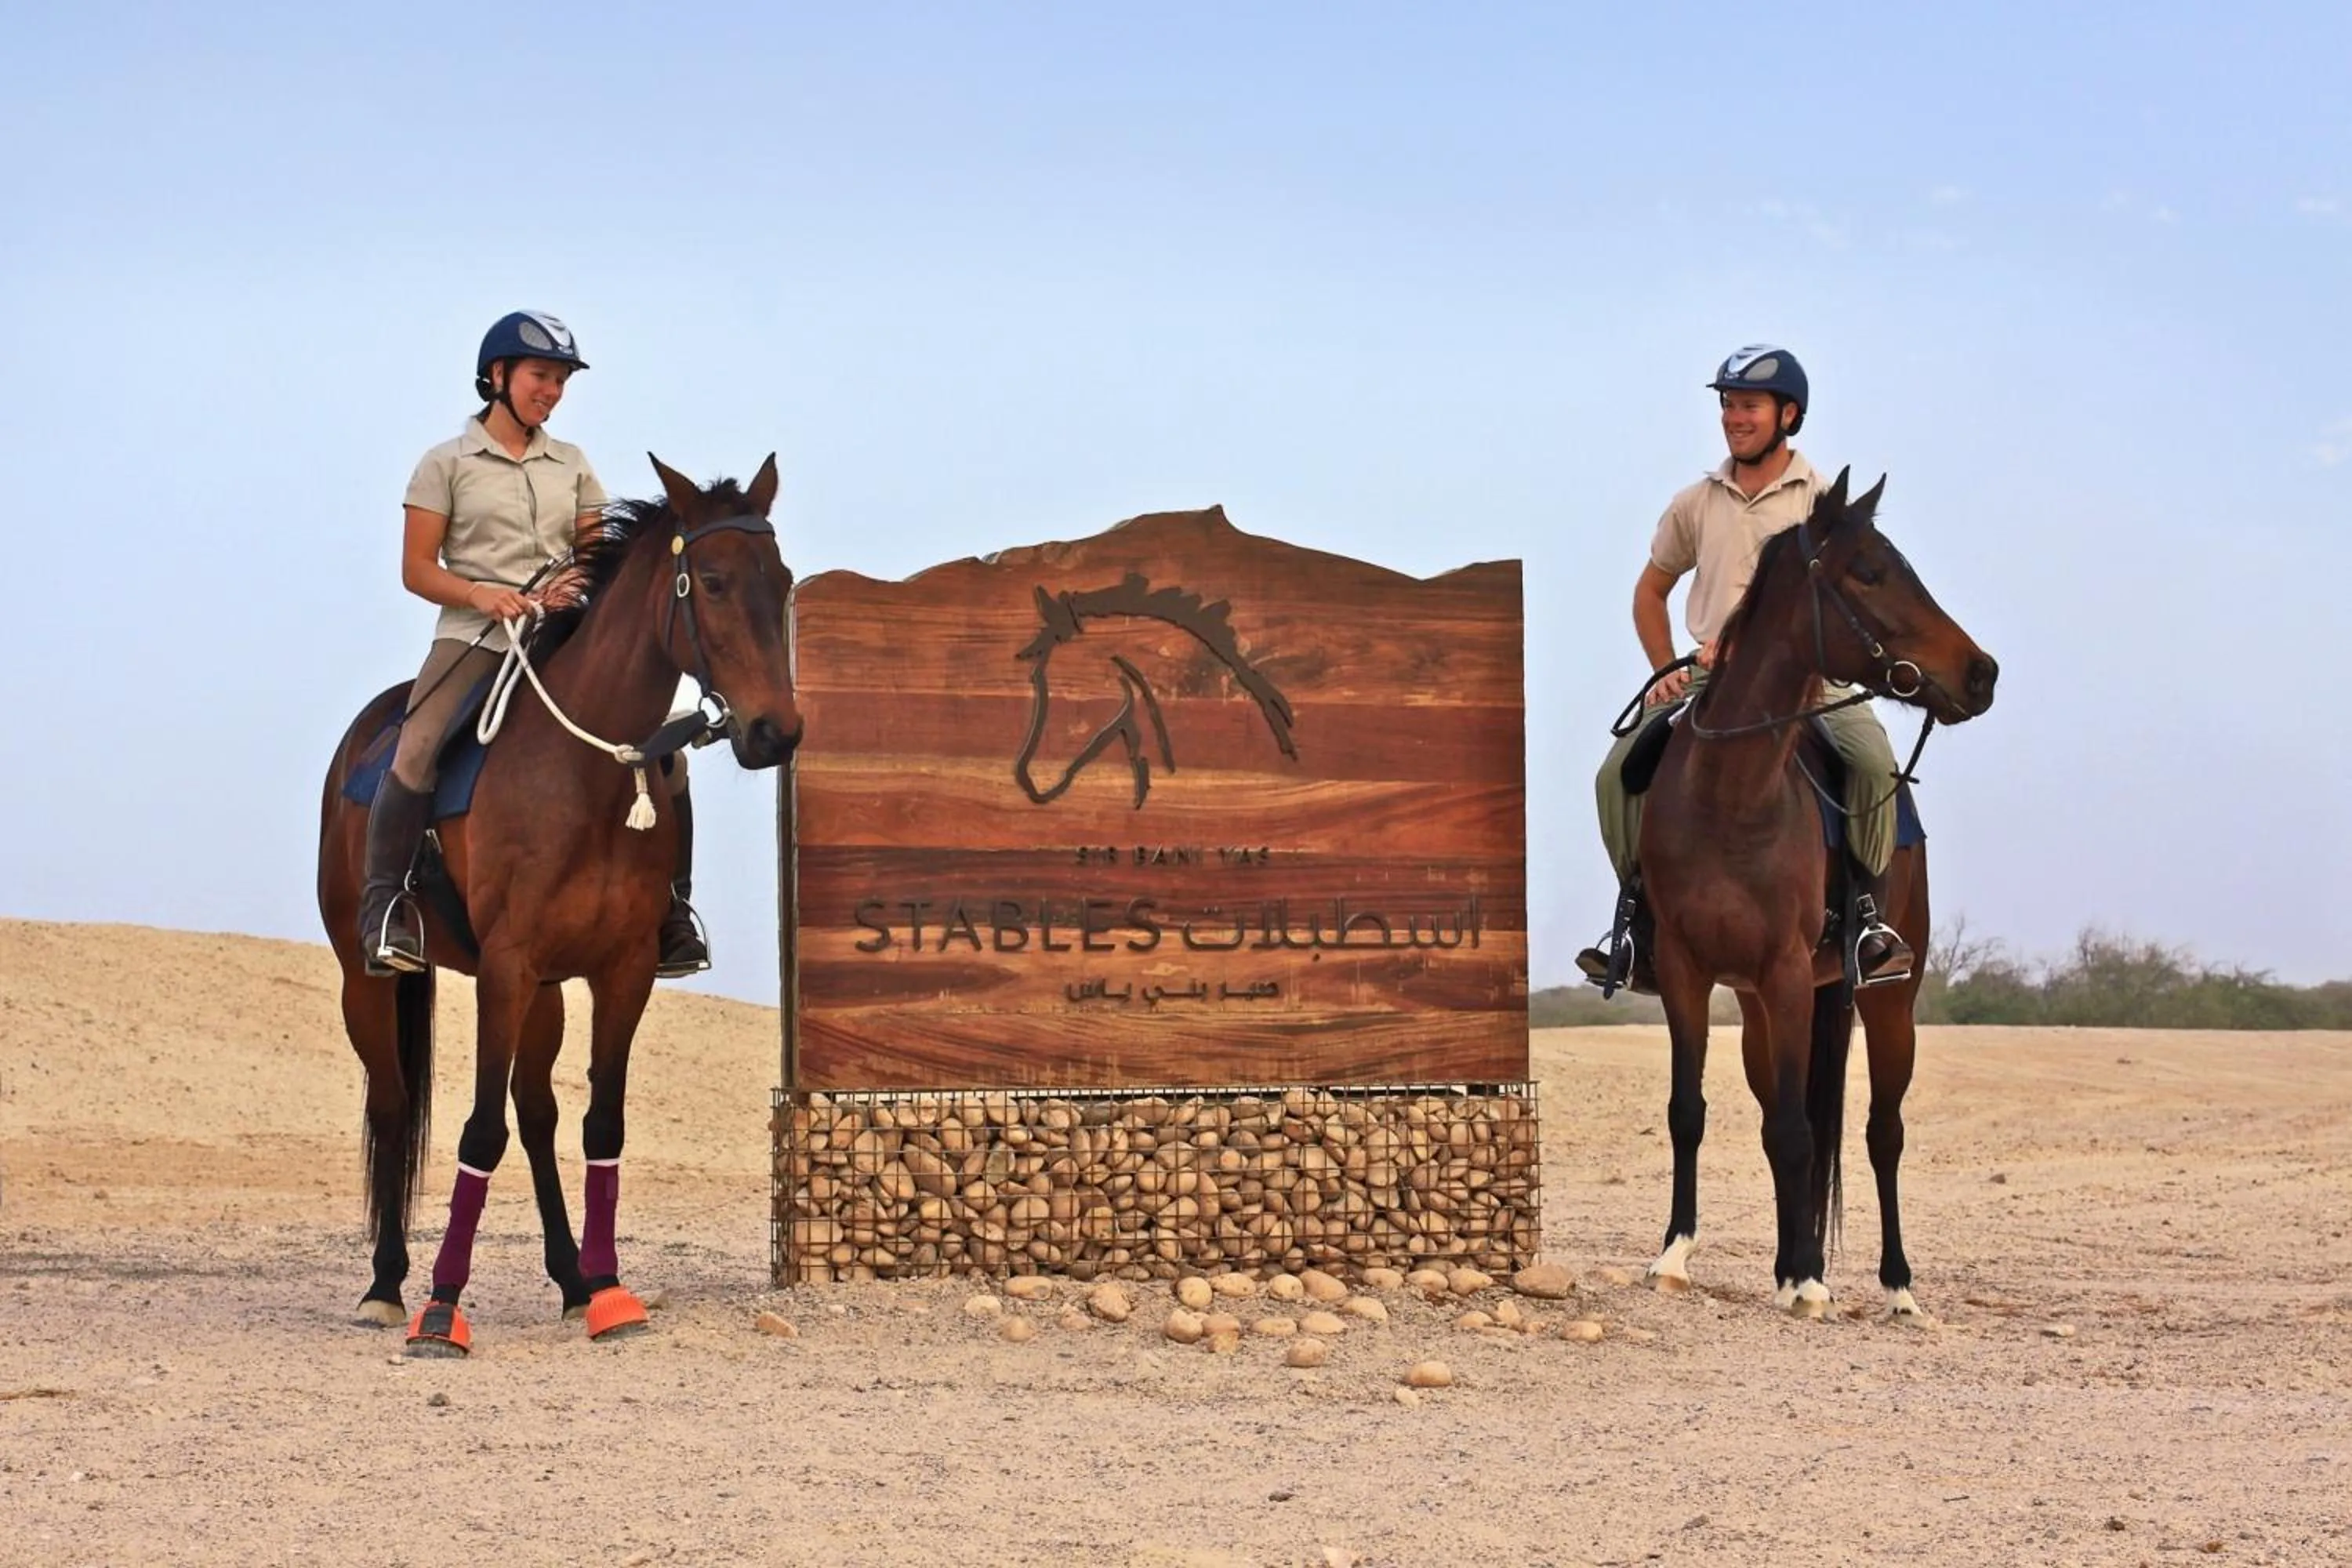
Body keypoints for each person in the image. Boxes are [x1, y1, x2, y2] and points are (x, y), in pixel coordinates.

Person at [356, 310, 710, 980]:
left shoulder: (571, 465)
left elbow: (594, 555)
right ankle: (386, 909)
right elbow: (417, 569)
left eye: (559, 381)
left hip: (561, 636)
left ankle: (672, 913)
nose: (550, 391)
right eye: (539, 376)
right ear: (498, 376)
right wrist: (482, 595)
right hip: (476, 638)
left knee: (670, 754)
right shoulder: (445, 464)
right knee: (419, 746)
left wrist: (568, 587)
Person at [1575, 345, 1911, 993]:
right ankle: (1636, 925)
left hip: (1813, 681)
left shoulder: (1820, 502)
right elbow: (1650, 592)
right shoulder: (1695, 503)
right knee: (1615, 775)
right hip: (1708, 677)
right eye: (1727, 405)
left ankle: (1866, 920)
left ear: (1788, 414)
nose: (1734, 417)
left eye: (1749, 405)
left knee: (1873, 762)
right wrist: (1663, 668)